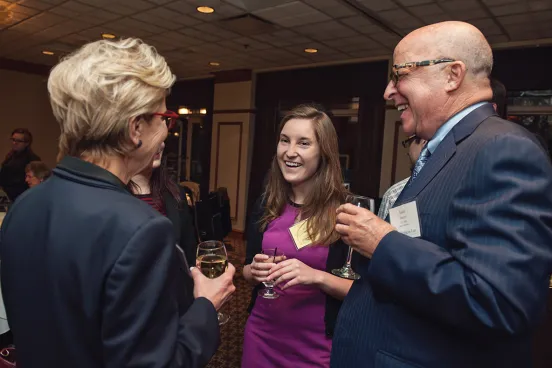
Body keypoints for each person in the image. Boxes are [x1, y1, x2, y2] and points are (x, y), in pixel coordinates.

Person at [0, 38, 235, 368]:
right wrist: (206, 306)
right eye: (164, 117)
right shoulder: (141, 229)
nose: (168, 132)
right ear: (135, 128)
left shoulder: (23, 207)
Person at [331, 21, 552, 368]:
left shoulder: (502, 148)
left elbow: (497, 302)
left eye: (399, 74)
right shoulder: (446, 150)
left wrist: (382, 243)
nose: (389, 92)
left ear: (452, 75)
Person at [242, 105, 354, 368]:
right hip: (261, 336)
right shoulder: (266, 204)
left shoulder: (345, 212)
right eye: (284, 141)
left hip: (316, 347)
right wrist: (253, 271)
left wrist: (316, 276)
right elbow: (246, 271)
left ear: (323, 152)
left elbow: (364, 292)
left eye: (304, 143)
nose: (290, 152)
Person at [129, 142, 199, 267]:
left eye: (162, 138)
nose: (161, 144)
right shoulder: (112, 195)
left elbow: (189, 256)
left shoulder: (175, 193)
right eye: (152, 135)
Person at [377, 135, 426, 220]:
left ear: (424, 142)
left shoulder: (394, 195)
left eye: (409, 142)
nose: (408, 152)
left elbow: (379, 233)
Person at [0, 128, 40, 201]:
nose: (14, 143)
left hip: (21, 198)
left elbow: (33, 183)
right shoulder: (10, 156)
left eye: (19, 141)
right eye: (13, 140)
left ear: (27, 143)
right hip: (7, 196)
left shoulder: (32, 160)